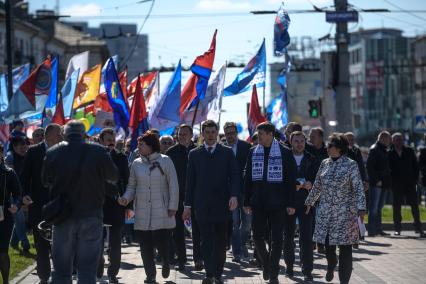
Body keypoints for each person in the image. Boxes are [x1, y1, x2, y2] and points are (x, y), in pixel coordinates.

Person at [42, 120, 119, 283]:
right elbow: (113, 176)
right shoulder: (98, 152)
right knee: (87, 270)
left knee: (61, 271)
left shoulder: (53, 152)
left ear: (65, 134)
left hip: (63, 216)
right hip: (92, 214)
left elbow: (45, 181)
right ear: (84, 134)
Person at [183, 120, 239, 284]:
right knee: (205, 240)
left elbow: (235, 176)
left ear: (217, 133)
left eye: (213, 132)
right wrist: (187, 205)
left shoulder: (227, 153)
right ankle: (209, 274)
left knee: (221, 242)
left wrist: (234, 195)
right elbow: (190, 181)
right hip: (202, 205)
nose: (210, 135)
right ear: (202, 134)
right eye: (207, 132)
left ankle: (218, 274)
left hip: (222, 204)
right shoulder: (194, 154)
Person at [119, 131, 179, 284]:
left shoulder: (166, 161)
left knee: (162, 243)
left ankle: (166, 261)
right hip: (142, 212)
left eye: (142, 145)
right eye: (138, 144)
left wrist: (173, 206)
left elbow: (173, 186)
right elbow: (132, 186)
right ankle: (150, 275)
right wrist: (126, 198)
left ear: (151, 146)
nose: (138, 147)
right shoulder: (136, 164)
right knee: (145, 246)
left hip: (163, 210)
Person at [305, 133, 366, 284]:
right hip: (326, 214)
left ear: (339, 148)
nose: (327, 147)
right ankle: (331, 265)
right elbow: (317, 185)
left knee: (345, 250)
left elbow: (358, 188)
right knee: (328, 247)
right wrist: (309, 202)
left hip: (346, 215)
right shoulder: (324, 163)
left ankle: (344, 281)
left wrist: (361, 208)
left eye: (330, 145)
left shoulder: (351, 164)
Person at [243, 122, 297, 284]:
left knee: (277, 239)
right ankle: (267, 264)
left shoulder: (285, 152)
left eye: (261, 134)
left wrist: (291, 203)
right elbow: (248, 180)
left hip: (278, 203)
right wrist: (246, 201)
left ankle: (273, 274)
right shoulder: (253, 151)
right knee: (257, 236)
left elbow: (290, 180)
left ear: (270, 134)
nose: (258, 137)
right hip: (258, 202)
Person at [21, 124, 63, 284]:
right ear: (49, 136)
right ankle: (44, 277)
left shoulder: (64, 151)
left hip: (60, 207)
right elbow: (25, 176)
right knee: (41, 244)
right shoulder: (33, 151)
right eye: (59, 134)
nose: (61, 137)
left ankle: (61, 275)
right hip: (38, 206)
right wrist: (24, 195)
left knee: (60, 244)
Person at [283, 131, 320, 281]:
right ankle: (290, 267)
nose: (299, 144)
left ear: (305, 143)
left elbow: (319, 180)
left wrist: (311, 184)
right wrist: (293, 185)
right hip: (289, 203)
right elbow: (280, 179)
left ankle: (307, 271)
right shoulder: (285, 158)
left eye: (302, 141)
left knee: (306, 239)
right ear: (291, 142)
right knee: (288, 237)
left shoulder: (312, 159)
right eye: (296, 141)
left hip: (307, 204)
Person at [97, 128, 130, 283]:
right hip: (97, 205)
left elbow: (127, 181)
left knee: (115, 241)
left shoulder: (121, 157)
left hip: (117, 204)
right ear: (101, 140)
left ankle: (112, 273)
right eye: (107, 138)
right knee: (97, 239)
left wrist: (127, 202)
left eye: (112, 138)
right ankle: (98, 261)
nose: (111, 141)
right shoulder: (93, 156)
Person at [166, 124, 200, 271]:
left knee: (198, 230)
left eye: (185, 134)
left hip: (197, 196)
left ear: (191, 135)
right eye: (180, 134)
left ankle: (199, 258)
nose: (182, 136)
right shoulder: (170, 153)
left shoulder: (199, 151)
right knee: (178, 231)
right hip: (177, 197)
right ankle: (181, 259)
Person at [223, 122, 252, 263]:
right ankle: (237, 252)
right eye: (227, 133)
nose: (230, 136)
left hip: (245, 191)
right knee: (235, 223)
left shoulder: (246, 147)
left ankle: (242, 244)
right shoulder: (220, 149)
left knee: (247, 223)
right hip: (230, 193)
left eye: (232, 133)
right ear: (224, 134)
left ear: (236, 133)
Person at [389, 133, 425, 237]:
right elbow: (388, 169)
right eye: (396, 140)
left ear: (403, 140)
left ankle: (419, 228)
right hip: (396, 184)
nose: (398, 142)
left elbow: (415, 166)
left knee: (415, 206)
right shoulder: (390, 153)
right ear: (393, 141)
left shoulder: (409, 151)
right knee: (396, 207)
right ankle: (397, 229)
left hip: (410, 183)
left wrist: (415, 179)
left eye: (400, 139)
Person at [0, 143, 21, 284]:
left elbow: (18, 193)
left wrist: (16, 205)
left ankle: (6, 281)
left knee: (2, 252)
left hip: (4, 215)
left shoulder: (8, 172)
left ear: (1, 153)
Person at [5, 136, 30, 252]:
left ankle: (14, 242)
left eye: (25, 144)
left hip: (24, 192)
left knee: (21, 219)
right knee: (19, 219)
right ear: (14, 147)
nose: (24, 147)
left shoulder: (27, 156)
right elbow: (11, 179)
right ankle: (25, 244)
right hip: (12, 193)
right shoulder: (10, 158)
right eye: (20, 145)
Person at [366, 131, 392, 237]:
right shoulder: (374, 149)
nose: (389, 141)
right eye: (387, 139)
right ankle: (372, 230)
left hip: (384, 182)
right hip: (377, 183)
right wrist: (377, 180)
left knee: (379, 208)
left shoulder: (383, 150)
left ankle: (378, 229)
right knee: (374, 208)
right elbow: (370, 167)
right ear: (382, 138)